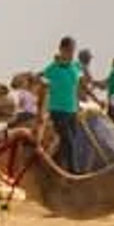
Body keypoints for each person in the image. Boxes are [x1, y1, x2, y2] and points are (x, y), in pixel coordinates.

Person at [38, 36, 82, 170]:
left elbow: (78, 86)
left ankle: (57, 167)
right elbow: (39, 78)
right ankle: (74, 172)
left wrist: (79, 103)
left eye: (73, 50)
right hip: (57, 110)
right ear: (62, 49)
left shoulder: (76, 67)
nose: (71, 53)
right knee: (68, 140)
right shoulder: (52, 68)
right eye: (69, 50)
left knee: (73, 141)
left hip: (72, 110)